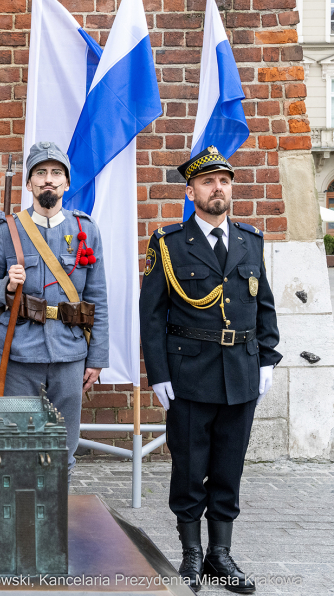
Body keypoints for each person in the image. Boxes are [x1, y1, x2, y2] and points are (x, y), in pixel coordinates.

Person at [139, 146, 280, 594]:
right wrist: (158, 373)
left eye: (224, 180)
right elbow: (151, 315)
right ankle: (191, 554)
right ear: (190, 191)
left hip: (241, 370)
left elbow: (264, 307)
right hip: (189, 373)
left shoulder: (249, 241)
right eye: (207, 182)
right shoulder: (169, 244)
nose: (217, 188)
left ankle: (221, 555)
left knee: (228, 466)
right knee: (189, 466)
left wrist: (269, 357)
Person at [0, 141, 108, 483]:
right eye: (41, 173)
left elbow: (98, 298)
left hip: (69, 351)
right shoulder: (7, 230)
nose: (49, 179)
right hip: (20, 350)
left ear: (66, 182)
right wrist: (3, 286)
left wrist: (97, 358)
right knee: (17, 443)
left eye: (56, 173)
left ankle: (58, 522)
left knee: (64, 446)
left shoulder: (84, 230)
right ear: (29, 183)